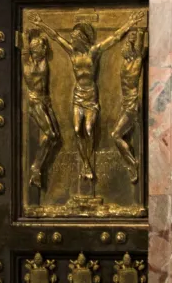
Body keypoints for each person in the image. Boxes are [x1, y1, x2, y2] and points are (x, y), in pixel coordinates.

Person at [31, 11, 144, 181]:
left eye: (75, 36)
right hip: (78, 95)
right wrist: (41, 24)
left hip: (91, 97)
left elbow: (113, 39)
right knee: (77, 130)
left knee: (89, 130)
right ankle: (86, 165)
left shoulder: (93, 52)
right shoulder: (72, 53)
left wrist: (129, 23)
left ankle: (88, 161)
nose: (72, 39)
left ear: (82, 38)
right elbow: (55, 37)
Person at [20, 29, 61, 188]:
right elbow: (24, 51)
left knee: (56, 137)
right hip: (35, 101)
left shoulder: (43, 61)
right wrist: (25, 36)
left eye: (44, 47)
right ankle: (36, 168)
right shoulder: (28, 63)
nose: (45, 49)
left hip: (46, 101)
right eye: (41, 47)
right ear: (34, 50)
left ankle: (38, 167)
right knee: (50, 134)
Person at [112, 28, 147, 183]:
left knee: (116, 135)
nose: (124, 49)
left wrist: (140, 32)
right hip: (126, 104)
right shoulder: (126, 64)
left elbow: (139, 51)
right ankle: (132, 163)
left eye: (127, 47)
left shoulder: (136, 62)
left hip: (131, 106)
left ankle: (133, 164)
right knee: (117, 135)